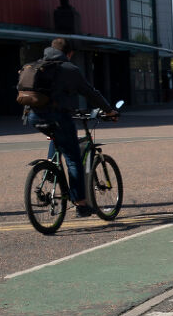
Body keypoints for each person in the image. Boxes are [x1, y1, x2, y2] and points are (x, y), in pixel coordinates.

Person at [27, 39, 115, 215]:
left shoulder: (37, 65)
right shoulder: (69, 69)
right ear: (69, 53)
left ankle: (51, 168)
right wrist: (109, 110)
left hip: (33, 116)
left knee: (57, 138)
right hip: (58, 116)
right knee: (73, 159)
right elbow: (90, 93)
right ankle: (81, 204)